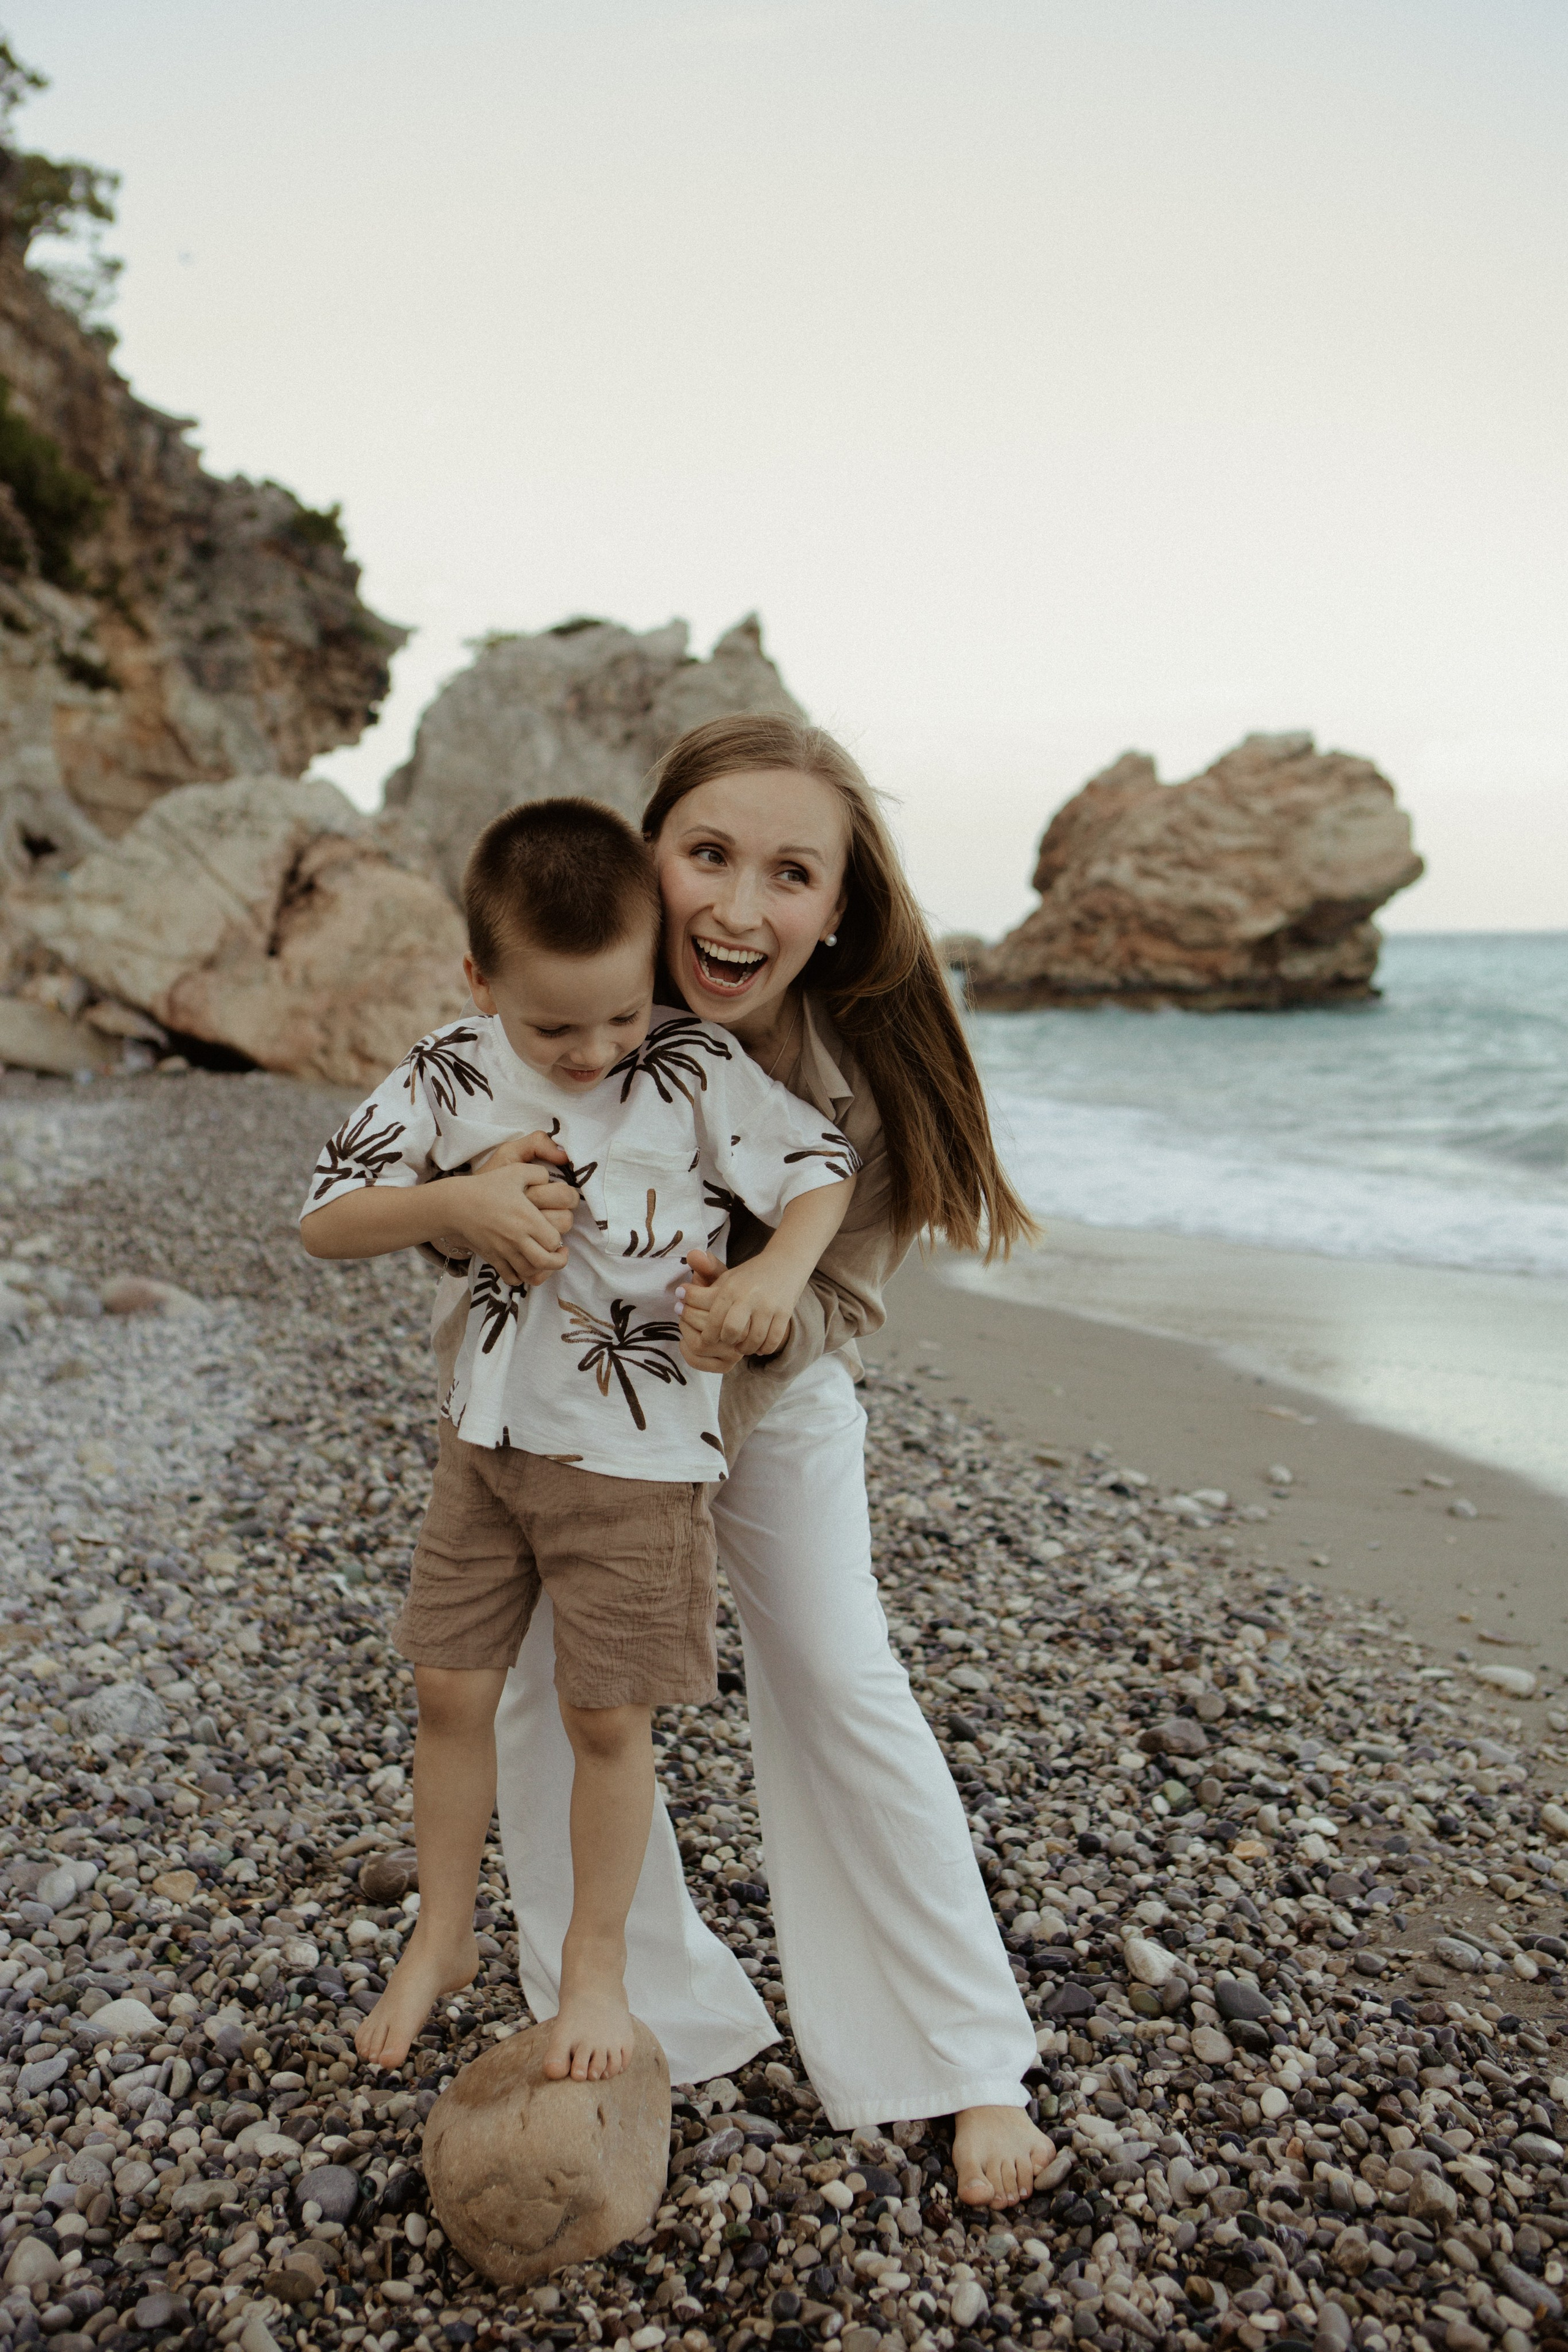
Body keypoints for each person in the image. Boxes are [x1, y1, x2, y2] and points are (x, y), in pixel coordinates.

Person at [446, 714, 1061, 2207]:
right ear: (646, 859)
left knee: (840, 1686)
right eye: (707, 853)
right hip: (574, 1434)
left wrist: (765, 1317)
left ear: (836, 908)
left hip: (769, 1423)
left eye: (789, 873)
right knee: (542, 1698)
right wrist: (474, 1201)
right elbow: (449, 1153)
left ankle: (961, 2055)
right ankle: (644, 2009)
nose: (737, 904)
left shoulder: (861, 1081)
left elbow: (841, 1292)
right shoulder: (573, 993)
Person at [299, 798, 856, 2079]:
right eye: (554, 1025)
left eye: (619, 1013)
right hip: (485, 1443)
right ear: (480, 978)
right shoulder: (450, 1067)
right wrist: (455, 1199)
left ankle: (596, 1978)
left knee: (607, 1722)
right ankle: (441, 1931)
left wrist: (780, 1279)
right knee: (449, 1688)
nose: (597, 1049)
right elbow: (326, 1222)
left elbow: (821, 1167)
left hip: (636, 1466)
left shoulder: (690, 1066)